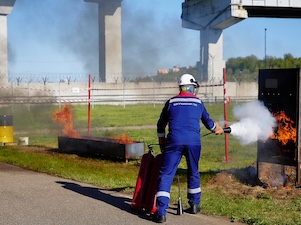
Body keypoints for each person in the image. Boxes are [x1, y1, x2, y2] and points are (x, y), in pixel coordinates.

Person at [152, 74, 224, 223]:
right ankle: (194, 204)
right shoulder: (198, 102)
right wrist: (217, 129)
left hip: (173, 142)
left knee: (166, 174)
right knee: (193, 171)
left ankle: (160, 212)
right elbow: (209, 124)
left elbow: (160, 125)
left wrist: (161, 140)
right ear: (191, 87)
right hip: (193, 142)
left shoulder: (171, 102)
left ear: (181, 87)